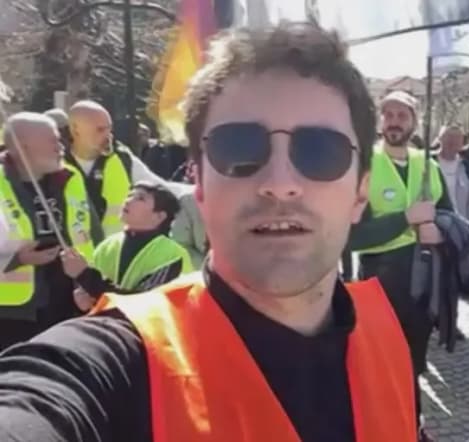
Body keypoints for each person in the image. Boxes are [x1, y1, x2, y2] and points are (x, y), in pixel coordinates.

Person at [0, 23, 416, 442]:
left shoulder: (388, 334)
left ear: (360, 191)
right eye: (238, 148)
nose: (280, 183)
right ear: (198, 184)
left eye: (321, 150)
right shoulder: (118, 361)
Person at [348, 89, 451, 440]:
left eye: (402, 115)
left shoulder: (429, 165)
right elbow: (352, 236)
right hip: (380, 281)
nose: (394, 122)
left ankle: (411, 427)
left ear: (414, 122)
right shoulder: (365, 165)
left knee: (413, 363)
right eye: (388, 114)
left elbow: (450, 217)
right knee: (380, 365)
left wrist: (439, 230)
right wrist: (405, 218)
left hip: (423, 281)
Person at [0, 112, 99, 350]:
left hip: (67, 303)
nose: (60, 146)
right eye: (52, 140)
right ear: (23, 146)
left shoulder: (70, 178)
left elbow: (93, 235)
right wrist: (18, 259)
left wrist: (89, 281)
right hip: (12, 314)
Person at [65, 100, 190, 238]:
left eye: (109, 129)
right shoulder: (55, 162)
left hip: (114, 249)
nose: (108, 135)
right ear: (75, 130)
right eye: (100, 130)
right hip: (74, 250)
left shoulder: (122, 158)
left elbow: (159, 187)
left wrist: (193, 194)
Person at [60, 182, 192, 308]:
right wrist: (84, 301)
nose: (128, 201)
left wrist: (85, 276)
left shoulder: (172, 255)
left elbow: (143, 305)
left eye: (140, 198)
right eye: (130, 195)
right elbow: (92, 295)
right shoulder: (107, 246)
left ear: (159, 217)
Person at [437, 124, 469, 222]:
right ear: (440, 139)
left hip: (459, 223)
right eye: (449, 137)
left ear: (462, 143)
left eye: (457, 138)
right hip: (435, 223)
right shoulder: (429, 162)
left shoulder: (466, 166)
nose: (452, 142)